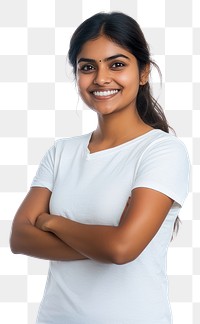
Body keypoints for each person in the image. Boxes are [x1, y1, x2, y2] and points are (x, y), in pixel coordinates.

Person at [10, 12, 190, 324]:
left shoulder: (162, 151)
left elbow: (121, 249)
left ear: (144, 71)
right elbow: (19, 238)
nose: (101, 78)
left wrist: (51, 221)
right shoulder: (61, 151)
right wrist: (103, 243)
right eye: (87, 67)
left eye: (117, 64)